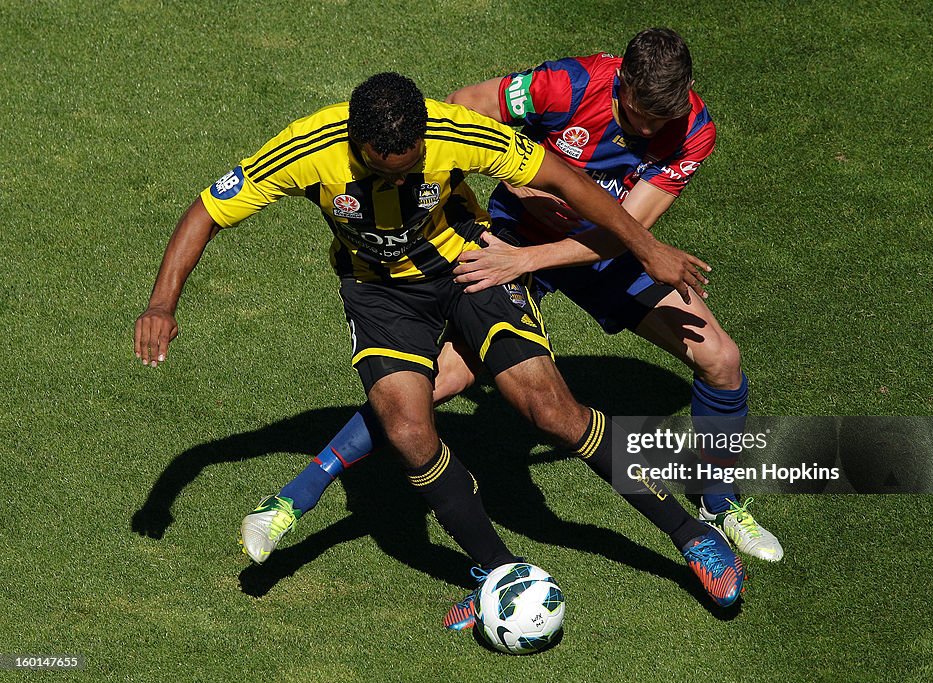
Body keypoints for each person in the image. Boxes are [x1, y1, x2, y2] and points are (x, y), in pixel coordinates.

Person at [135, 71, 742, 618]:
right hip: (379, 296)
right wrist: (164, 303)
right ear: (357, 144)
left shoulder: (454, 132)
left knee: (553, 413)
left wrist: (645, 246)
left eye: (413, 163)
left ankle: (692, 535)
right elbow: (205, 212)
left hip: (469, 268)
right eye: (388, 169)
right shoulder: (306, 150)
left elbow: (564, 178)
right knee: (407, 430)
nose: (404, 175)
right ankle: (496, 571)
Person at [252, 30, 782, 567]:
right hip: (517, 233)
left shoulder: (694, 130)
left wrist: (528, 261)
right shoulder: (566, 85)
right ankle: (298, 492)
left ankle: (719, 504)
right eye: (637, 113)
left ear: (688, 89)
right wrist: (525, 184)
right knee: (437, 382)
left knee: (721, 358)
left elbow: (629, 229)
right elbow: (460, 107)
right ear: (621, 78)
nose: (647, 129)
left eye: (659, 120)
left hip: (596, 246)